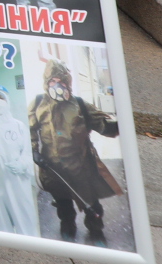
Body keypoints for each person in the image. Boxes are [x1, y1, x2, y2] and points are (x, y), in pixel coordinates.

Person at [29, 59, 122, 244]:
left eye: (61, 82)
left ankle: (96, 230)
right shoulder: (38, 103)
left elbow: (105, 127)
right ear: (46, 83)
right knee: (63, 203)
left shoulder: (79, 104)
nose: (57, 86)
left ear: (68, 84)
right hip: (53, 168)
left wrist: (123, 122)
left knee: (91, 203)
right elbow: (30, 129)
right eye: (52, 82)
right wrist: (34, 151)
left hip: (81, 166)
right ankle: (67, 226)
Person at [0, 86, 39, 237]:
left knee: (24, 218)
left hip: (16, 181)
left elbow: (27, 151)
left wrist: (22, 164)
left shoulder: (17, 125)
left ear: (7, 101)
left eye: (1, 97)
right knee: (1, 221)